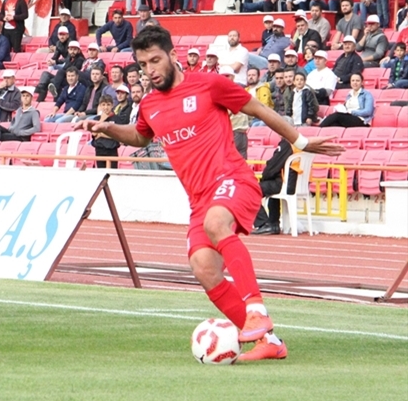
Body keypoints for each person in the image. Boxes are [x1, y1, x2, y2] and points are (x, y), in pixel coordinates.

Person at [74, 26, 344, 361]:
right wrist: (107, 126)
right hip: (199, 199)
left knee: (218, 223)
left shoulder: (209, 84)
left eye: (155, 60)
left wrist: (300, 142)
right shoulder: (150, 105)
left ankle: (257, 310)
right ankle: (270, 342)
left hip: (233, 178)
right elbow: (141, 137)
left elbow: (258, 110)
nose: (150, 70)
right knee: (203, 267)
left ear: (173, 55)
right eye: (143, 64)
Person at [251, 137, 297, 236]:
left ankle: (264, 223)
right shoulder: (299, 144)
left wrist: (264, 177)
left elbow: (273, 166)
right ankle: (274, 223)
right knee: (271, 185)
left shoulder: (286, 144)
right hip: (296, 184)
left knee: (250, 191)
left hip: (284, 183)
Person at [89, 95, 120, 168]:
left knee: (112, 174)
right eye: (103, 105)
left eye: (108, 104)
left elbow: (116, 135)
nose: (106, 107)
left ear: (112, 105)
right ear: (100, 106)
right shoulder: (96, 119)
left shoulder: (116, 119)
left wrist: (101, 134)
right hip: (100, 150)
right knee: (101, 174)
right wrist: (102, 119)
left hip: (112, 150)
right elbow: (94, 133)